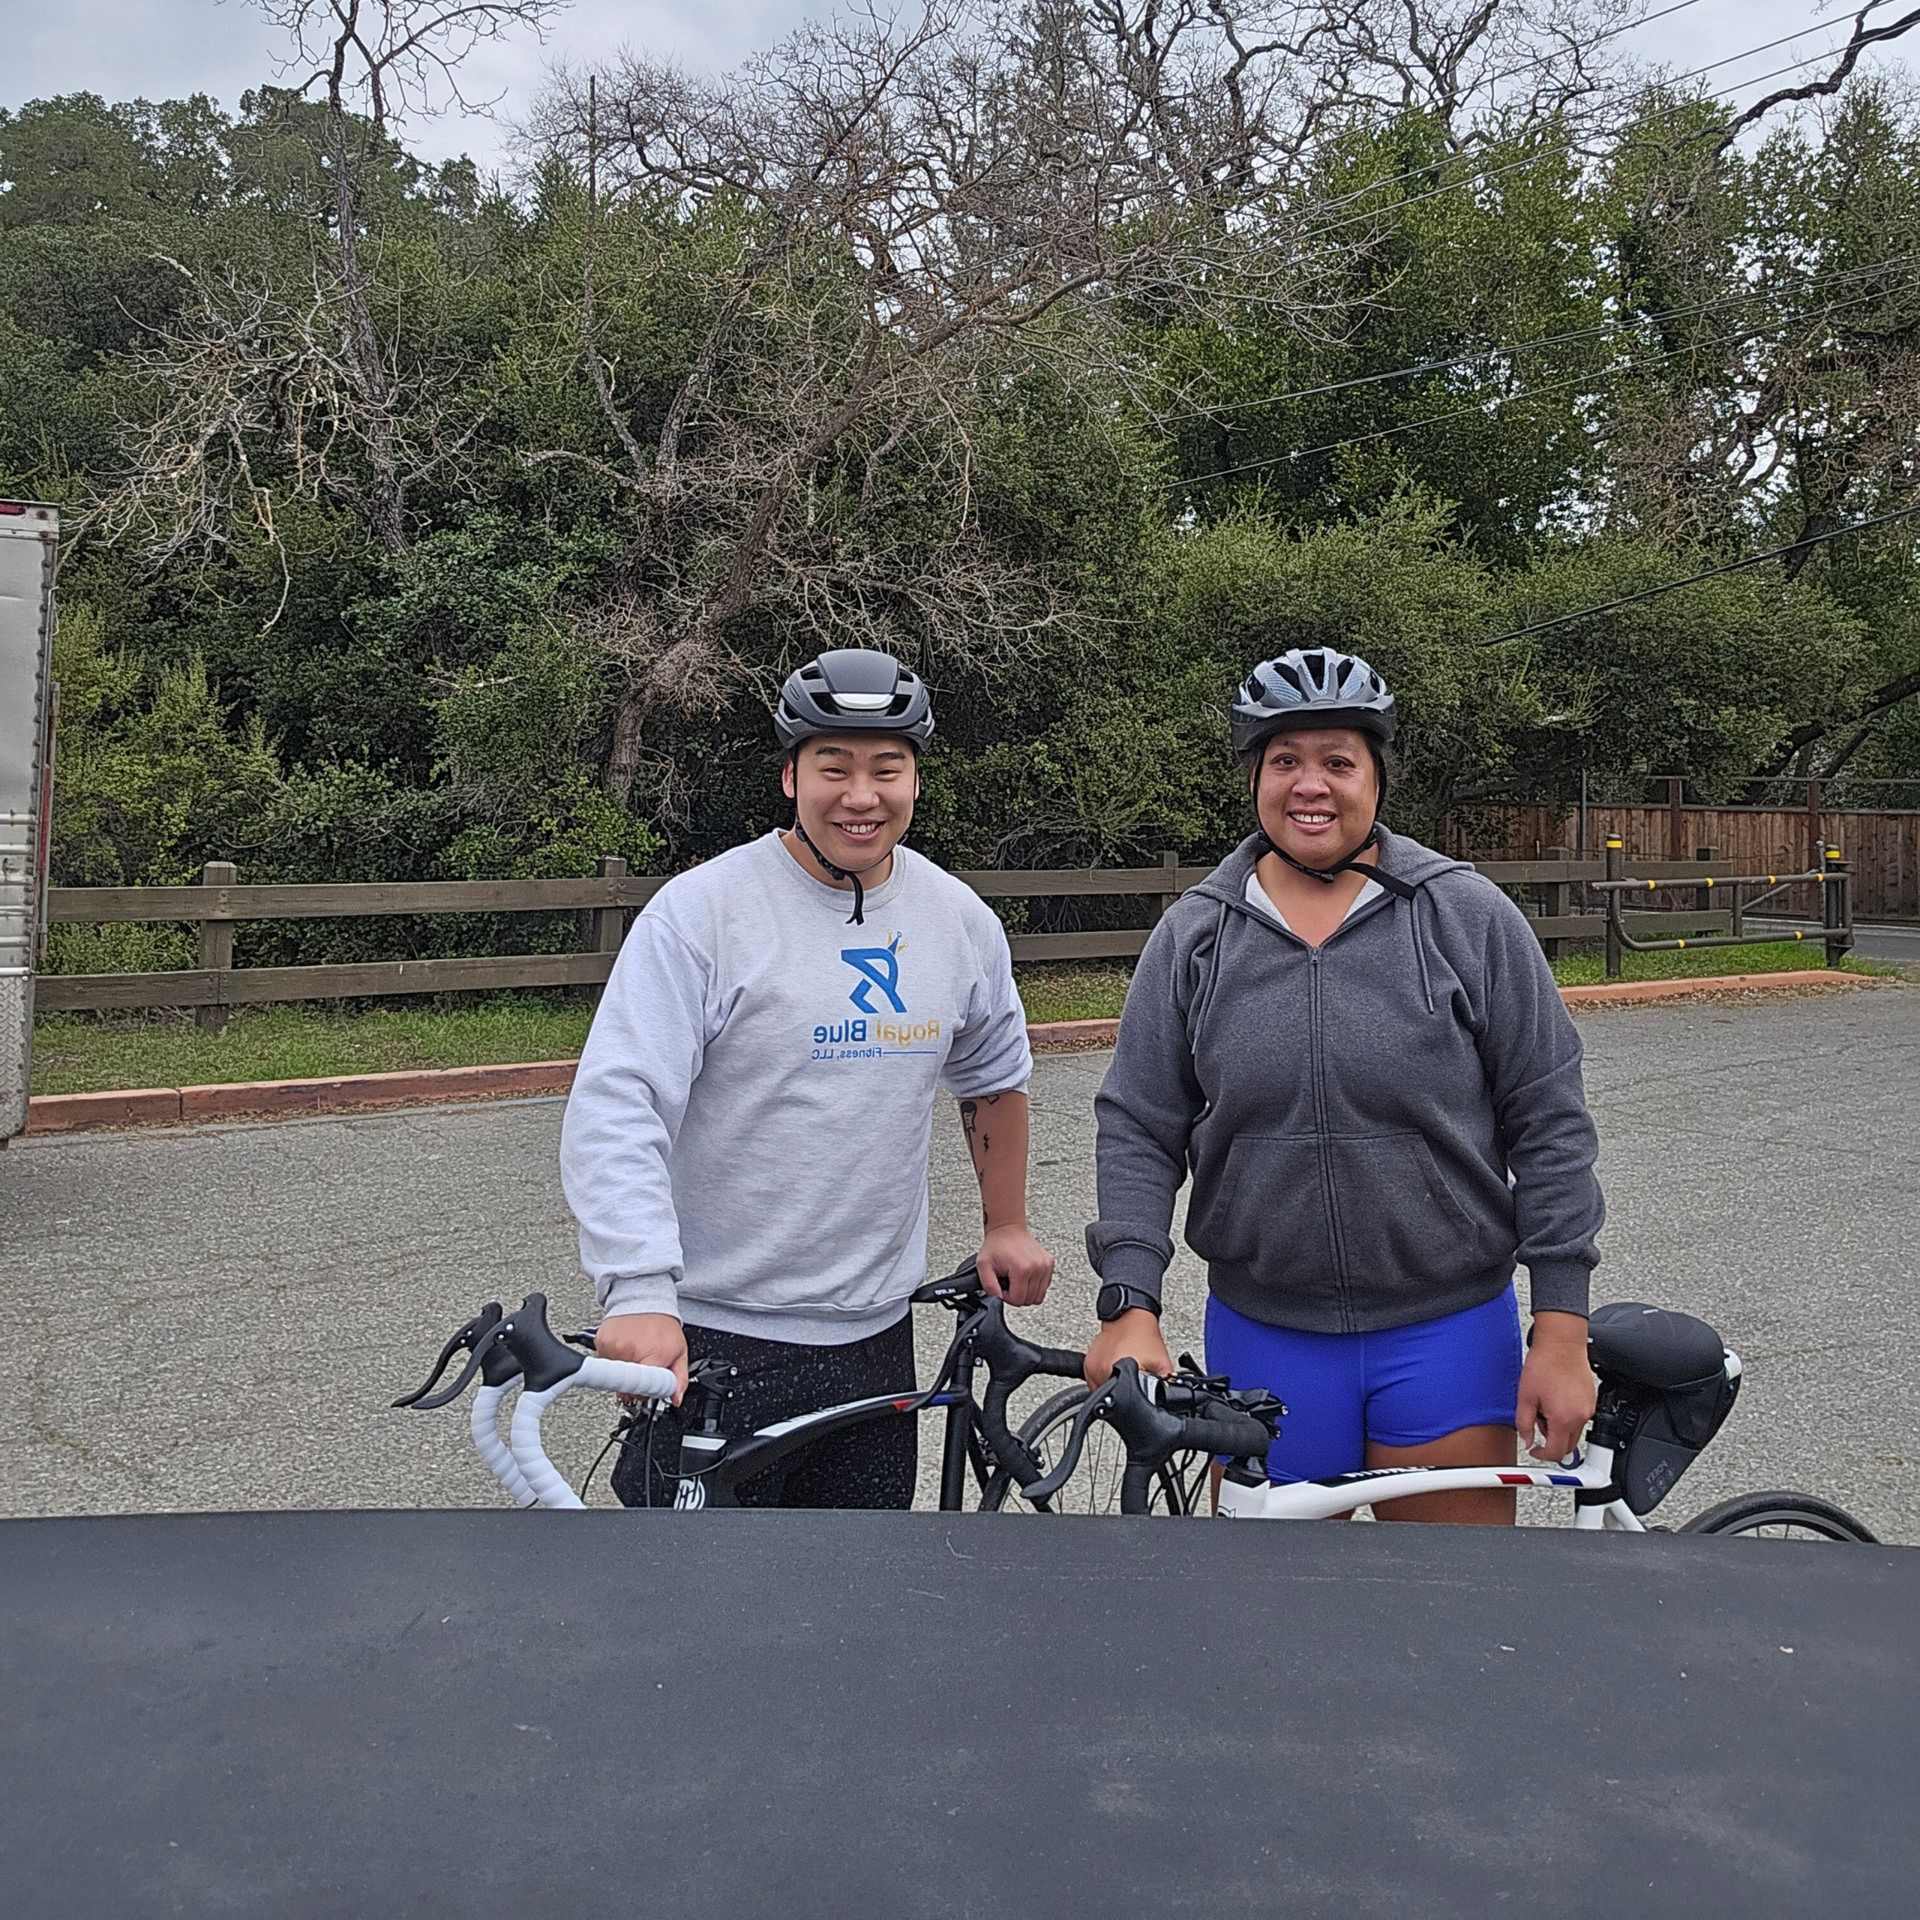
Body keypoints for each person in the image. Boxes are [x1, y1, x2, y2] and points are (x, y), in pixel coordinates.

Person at [1081, 646, 1602, 1522]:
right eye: (1285, 760)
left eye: (1337, 761)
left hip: (1446, 1335)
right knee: (1279, 1641)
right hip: (1266, 1337)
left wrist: (1561, 1324)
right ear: (1254, 778)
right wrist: (1130, 1300)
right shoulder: (1196, 937)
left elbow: (1548, 1118)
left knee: (1449, 1628)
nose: (1310, 784)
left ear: (1377, 777)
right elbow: (1139, 1120)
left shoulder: (1465, 917)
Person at [561, 646, 1054, 1509]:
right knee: (692, 1619)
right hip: (716, 1333)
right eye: (834, 767)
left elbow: (993, 1074)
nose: (860, 796)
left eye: (886, 770)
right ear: (790, 777)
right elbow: (620, 1099)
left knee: (858, 1613)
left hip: (875, 1337)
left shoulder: (959, 921)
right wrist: (637, 1290)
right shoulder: (703, 913)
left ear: (914, 781)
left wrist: (1006, 1223)